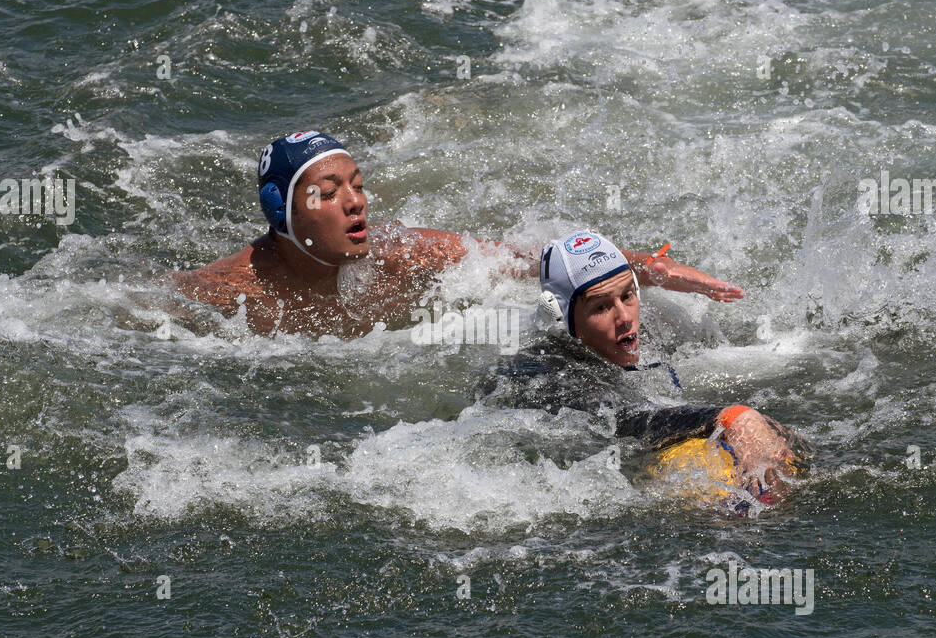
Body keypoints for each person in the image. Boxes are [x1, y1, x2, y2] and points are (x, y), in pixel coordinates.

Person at [173, 130, 744, 336]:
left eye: (359, 184)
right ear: (282, 211)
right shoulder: (229, 294)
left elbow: (531, 260)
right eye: (328, 191)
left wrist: (645, 265)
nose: (356, 203)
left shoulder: (403, 254)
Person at [476, 230, 808, 506]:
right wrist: (730, 416)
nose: (624, 317)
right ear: (561, 316)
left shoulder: (638, 332)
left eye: (628, 295)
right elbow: (629, 420)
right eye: (602, 307)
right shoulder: (554, 376)